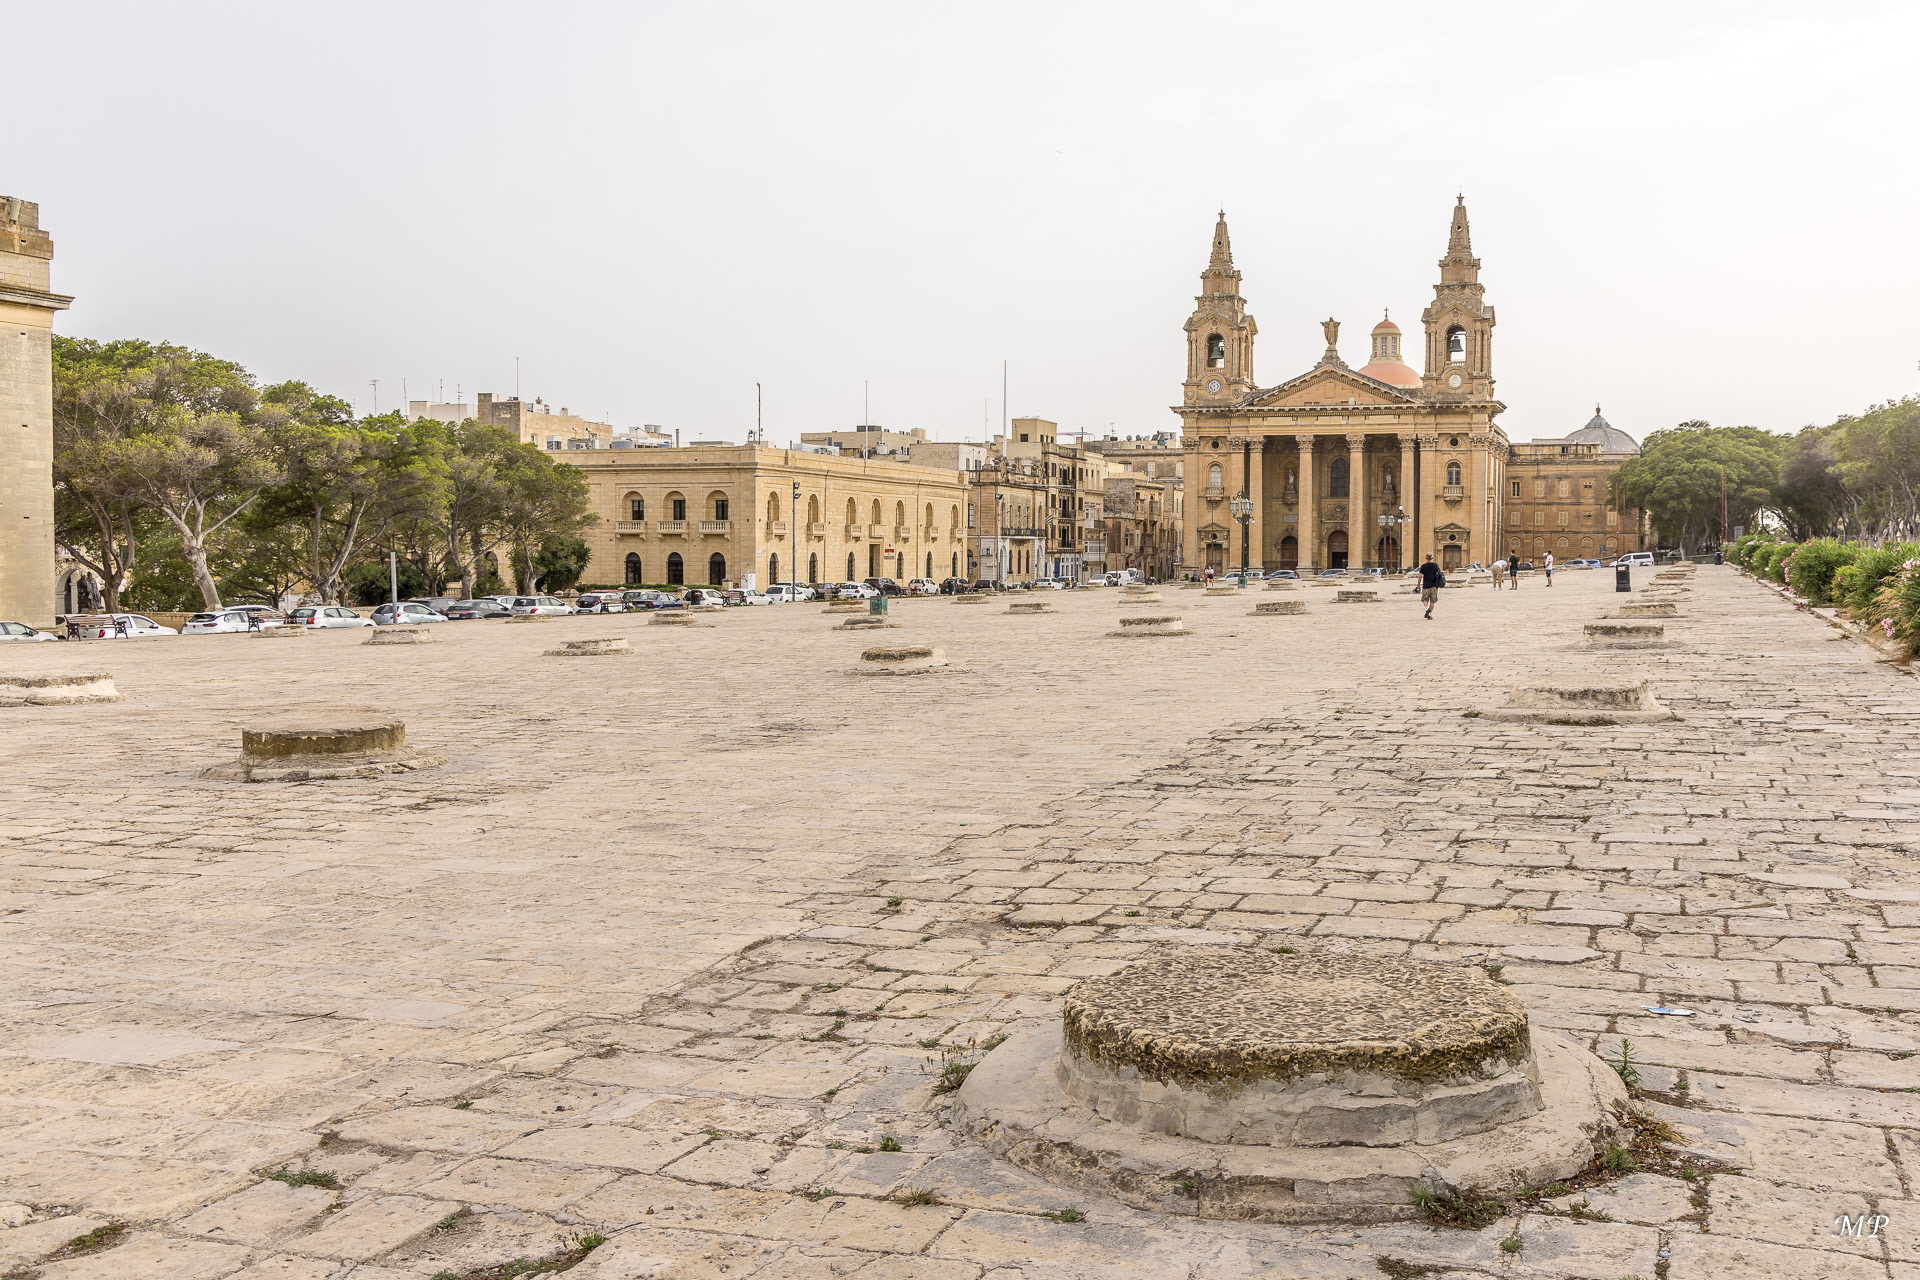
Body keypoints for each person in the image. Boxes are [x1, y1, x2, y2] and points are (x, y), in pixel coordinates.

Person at [1414, 553, 1443, 620]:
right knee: (1432, 601)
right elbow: (1439, 574)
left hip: (1426, 586)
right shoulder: (1435, 565)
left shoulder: (1423, 566)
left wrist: (1418, 585)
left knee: (1424, 599)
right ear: (1432, 558)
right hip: (1434, 586)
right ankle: (1430, 614)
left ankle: (1427, 609)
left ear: (1426, 558)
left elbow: (1420, 576)